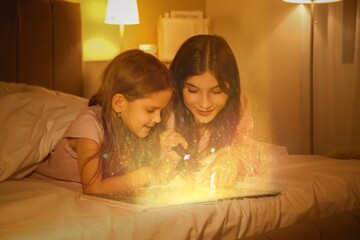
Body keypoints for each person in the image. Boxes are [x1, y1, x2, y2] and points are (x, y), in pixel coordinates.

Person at [35, 49, 187, 195]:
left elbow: (152, 176)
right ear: (119, 103)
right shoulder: (91, 123)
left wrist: (169, 159)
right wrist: (144, 175)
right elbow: (93, 189)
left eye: (161, 110)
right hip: (41, 180)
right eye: (150, 110)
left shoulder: (136, 127)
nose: (158, 119)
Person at [163, 34, 274, 188]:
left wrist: (231, 157)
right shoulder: (165, 105)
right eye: (193, 91)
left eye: (216, 92)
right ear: (178, 86)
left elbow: (248, 149)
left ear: (231, 89)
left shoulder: (239, 101)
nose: (205, 104)